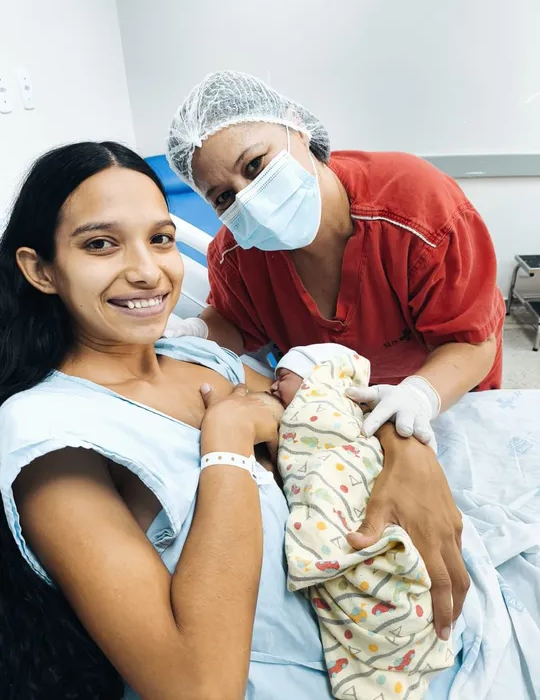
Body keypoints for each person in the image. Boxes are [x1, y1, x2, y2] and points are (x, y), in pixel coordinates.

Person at [0, 141, 453, 699]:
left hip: (384, 625)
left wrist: (407, 451)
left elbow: (330, 407)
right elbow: (198, 688)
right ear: (40, 270)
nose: (148, 272)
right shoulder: (50, 436)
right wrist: (229, 445)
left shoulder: (200, 359)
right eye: (101, 244)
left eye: (160, 238)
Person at [164, 69, 483, 637]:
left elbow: (470, 340)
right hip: (341, 421)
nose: (247, 199)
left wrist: (419, 397)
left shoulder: (413, 204)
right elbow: (234, 322)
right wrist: (190, 334)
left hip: (443, 403)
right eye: (222, 197)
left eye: (256, 164)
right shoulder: (237, 255)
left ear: (299, 131)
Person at [271, 343, 453, 699]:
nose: (273, 387)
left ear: (317, 377)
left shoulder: (327, 404)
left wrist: (418, 396)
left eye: (283, 377)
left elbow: (341, 440)